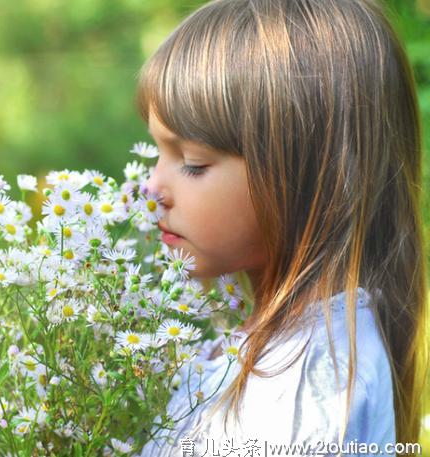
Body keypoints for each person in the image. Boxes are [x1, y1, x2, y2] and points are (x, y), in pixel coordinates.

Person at [136, 0, 428, 456]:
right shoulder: (282, 350)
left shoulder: (309, 386)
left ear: (309, 178)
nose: (152, 187)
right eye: (159, 153)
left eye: (192, 163)